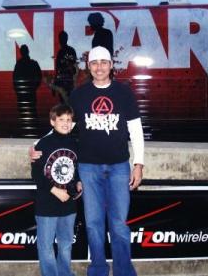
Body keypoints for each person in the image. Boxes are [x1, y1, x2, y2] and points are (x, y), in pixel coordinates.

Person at [31, 46, 144, 276]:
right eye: (94, 63)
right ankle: (98, 270)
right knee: (93, 224)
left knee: (119, 224)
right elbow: (65, 125)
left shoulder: (124, 93)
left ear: (111, 65)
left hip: (119, 166)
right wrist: (37, 145)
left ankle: (123, 271)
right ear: (88, 67)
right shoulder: (79, 95)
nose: (99, 67)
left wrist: (138, 164)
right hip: (88, 168)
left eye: (104, 62)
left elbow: (136, 130)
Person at [31, 103, 82, 276]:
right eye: (61, 120)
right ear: (52, 122)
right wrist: (55, 190)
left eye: (69, 120)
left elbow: (76, 170)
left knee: (66, 244)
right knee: (46, 246)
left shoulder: (75, 143)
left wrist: (79, 183)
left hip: (68, 204)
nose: (66, 123)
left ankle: (65, 273)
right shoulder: (43, 144)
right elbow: (37, 174)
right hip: (47, 204)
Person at [13, 44, 42, 129]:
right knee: (32, 111)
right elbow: (39, 77)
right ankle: (34, 128)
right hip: (29, 92)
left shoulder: (19, 65)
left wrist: (18, 91)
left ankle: (26, 128)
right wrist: (34, 87)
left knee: (24, 113)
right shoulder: (32, 63)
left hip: (23, 93)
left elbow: (15, 79)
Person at [54, 31, 78, 103]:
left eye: (62, 38)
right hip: (67, 80)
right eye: (61, 38)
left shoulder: (62, 52)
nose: (61, 40)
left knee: (66, 102)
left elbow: (59, 69)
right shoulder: (68, 51)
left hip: (66, 80)